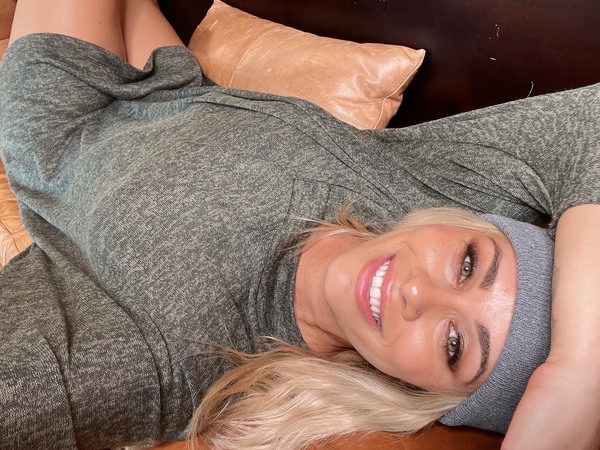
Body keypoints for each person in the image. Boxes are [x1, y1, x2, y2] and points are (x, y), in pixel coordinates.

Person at [0, 0, 598, 449]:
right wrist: (580, 370)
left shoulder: (169, 361)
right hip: (174, 88)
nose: (419, 291)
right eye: (468, 265)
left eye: (454, 345)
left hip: (70, 120)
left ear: (422, 395)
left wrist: (563, 402)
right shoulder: (429, 192)